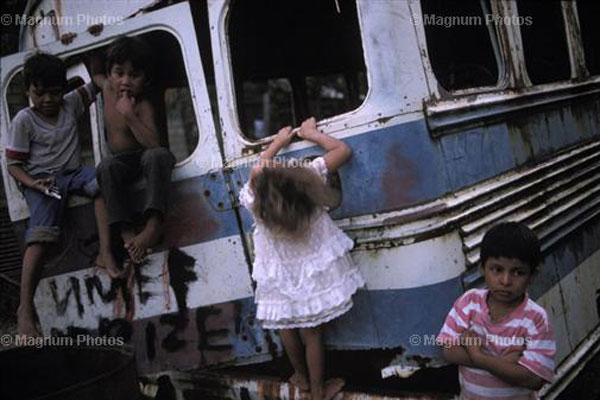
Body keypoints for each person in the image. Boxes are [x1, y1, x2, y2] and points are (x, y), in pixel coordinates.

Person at [239, 117, 364, 400]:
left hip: (277, 275)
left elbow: (257, 169)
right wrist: (312, 134)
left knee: (286, 326)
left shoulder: (254, 200)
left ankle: (303, 380)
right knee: (313, 334)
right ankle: (319, 390)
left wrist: (277, 143)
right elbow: (343, 151)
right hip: (308, 273)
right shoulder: (308, 179)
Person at [5, 52, 115, 335]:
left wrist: (87, 49)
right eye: (39, 93)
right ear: (28, 90)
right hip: (42, 181)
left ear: (63, 90)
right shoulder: (23, 120)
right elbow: (14, 166)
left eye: (54, 93)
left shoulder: (71, 103)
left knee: (104, 181)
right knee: (40, 236)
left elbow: (98, 83)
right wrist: (33, 184)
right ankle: (25, 308)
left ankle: (105, 252)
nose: (47, 100)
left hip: (73, 174)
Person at [437, 222, 555, 400]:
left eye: (518, 272)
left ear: (532, 276)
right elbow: (448, 350)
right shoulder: (469, 302)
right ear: (482, 268)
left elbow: (533, 378)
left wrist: (478, 356)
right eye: (497, 269)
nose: (506, 281)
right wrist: (506, 363)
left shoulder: (536, 319)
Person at [88, 36, 174, 264]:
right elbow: (94, 68)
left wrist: (129, 115)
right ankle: (127, 233)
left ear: (145, 80)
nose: (125, 81)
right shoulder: (106, 87)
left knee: (158, 156)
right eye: (119, 73)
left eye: (134, 75)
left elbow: (155, 144)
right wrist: (89, 35)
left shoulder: (143, 104)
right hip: (120, 163)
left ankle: (152, 225)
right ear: (110, 74)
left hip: (143, 157)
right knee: (105, 167)